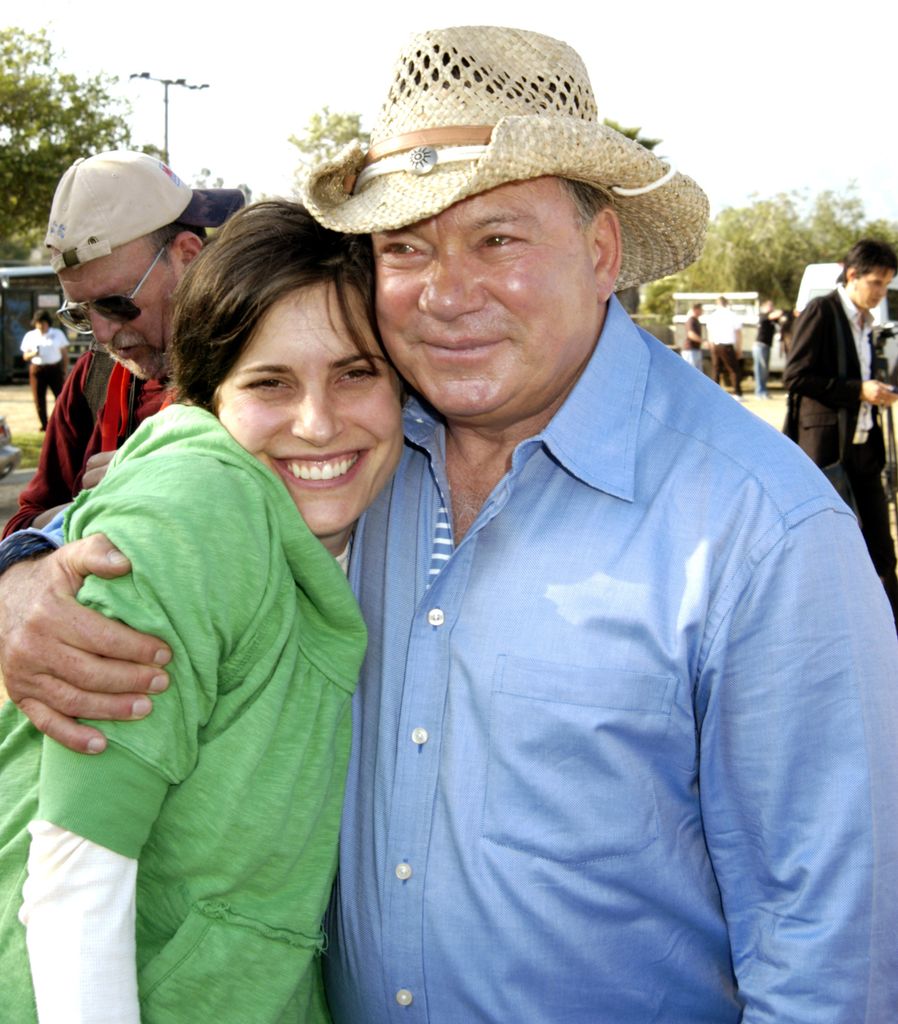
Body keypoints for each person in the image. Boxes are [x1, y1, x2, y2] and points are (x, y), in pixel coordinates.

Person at [2, 25, 897, 1024]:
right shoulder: (354, 449)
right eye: (405, 246)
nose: (447, 292)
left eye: (498, 239)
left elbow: (828, 955)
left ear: (601, 252)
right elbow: (166, 496)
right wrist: (26, 571)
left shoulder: (763, 534)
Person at [0, 200, 404, 1023]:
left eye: (357, 372)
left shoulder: (376, 504)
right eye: (269, 383)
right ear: (208, 396)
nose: (319, 422)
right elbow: (76, 886)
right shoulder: (200, 504)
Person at [2, 150, 244, 537]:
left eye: (115, 303)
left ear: (186, 256)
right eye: (80, 312)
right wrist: (100, 505)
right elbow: (23, 523)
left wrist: (184, 485)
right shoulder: (92, 379)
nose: (100, 334)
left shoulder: (259, 378)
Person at [783, 238, 898, 628]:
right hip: (829, 451)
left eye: (886, 284)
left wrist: (874, 389)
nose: (881, 293)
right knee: (828, 547)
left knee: (882, 548)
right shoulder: (822, 310)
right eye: (877, 283)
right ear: (852, 275)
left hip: (865, 446)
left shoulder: (867, 324)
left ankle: (887, 629)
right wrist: (858, 390)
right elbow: (796, 376)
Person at [19, 312, 68, 431]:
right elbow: (25, 356)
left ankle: (59, 421)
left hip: (54, 368)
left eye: (43, 323)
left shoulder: (57, 334)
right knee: (39, 398)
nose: (41, 326)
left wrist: (64, 369)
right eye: (38, 323)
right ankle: (44, 424)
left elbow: (64, 353)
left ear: (48, 323)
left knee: (60, 396)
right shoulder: (30, 336)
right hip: (38, 369)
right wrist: (33, 353)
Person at [705, 294, 744, 398]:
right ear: (726, 303)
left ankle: (713, 393)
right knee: (734, 370)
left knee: (716, 369)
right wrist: (739, 348)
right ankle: (737, 392)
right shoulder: (732, 315)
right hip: (727, 345)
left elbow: (709, 332)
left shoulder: (712, 316)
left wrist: (710, 344)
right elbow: (738, 333)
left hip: (715, 345)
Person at [753, 298, 781, 398]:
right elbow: (773, 315)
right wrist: (783, 312)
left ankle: (763, 390)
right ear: (764, 307)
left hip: (767, 346)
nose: (772, 308)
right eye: (770, 305)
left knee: (764, 370)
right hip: (760, 346)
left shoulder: (772, 319)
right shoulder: (763, 316)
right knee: (760, 370)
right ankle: (759, 392)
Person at [681, 300, 704, 370]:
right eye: (700, 309)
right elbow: (691, 335)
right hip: (690, 351)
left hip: (695, 350)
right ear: (696, 310)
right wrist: (703, 341)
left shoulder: (696, 320)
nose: (702, 311)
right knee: (691, 372)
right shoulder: (691, 320)